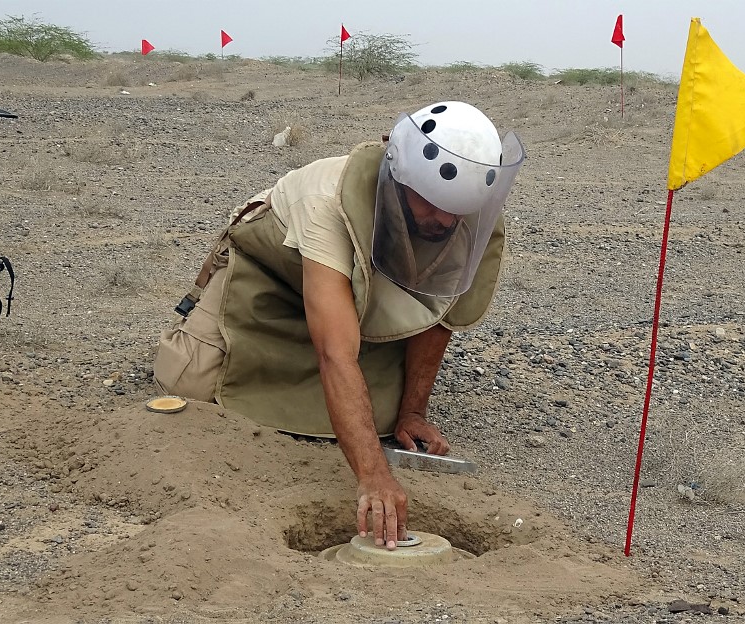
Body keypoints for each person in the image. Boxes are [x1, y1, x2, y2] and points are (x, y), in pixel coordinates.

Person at [153, 101, 525, 550]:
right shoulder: (326, 201)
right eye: (432, 205)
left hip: (354, 297)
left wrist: (413, 411)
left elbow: (439, 308)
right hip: (274, 277)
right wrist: (374, 476)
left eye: (456, 211)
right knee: (188, 378)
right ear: (399, 180)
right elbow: (334, 353)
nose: (444, 221)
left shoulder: (464, 217)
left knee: (384, 419)